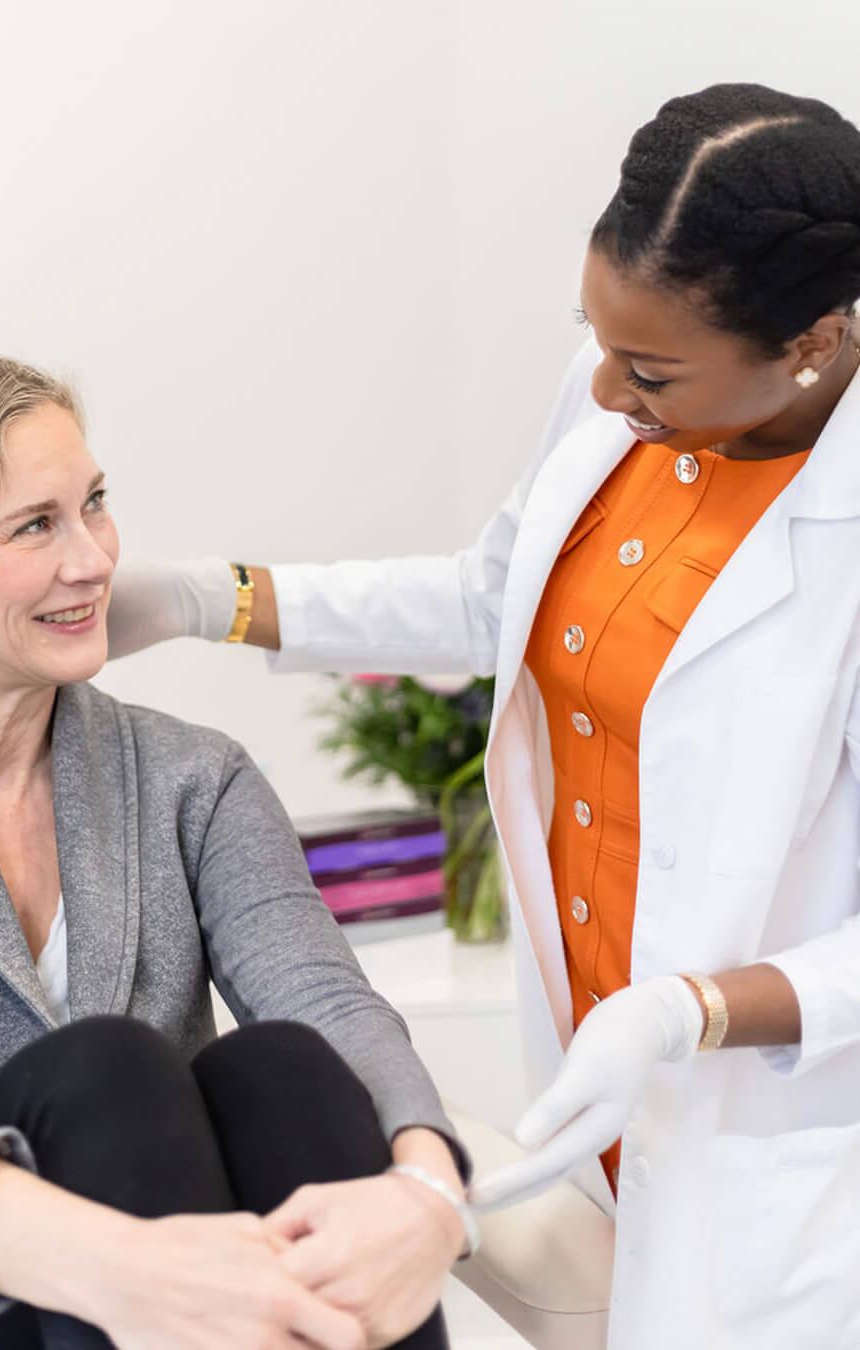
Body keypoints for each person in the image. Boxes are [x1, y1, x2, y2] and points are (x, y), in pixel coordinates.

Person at [108, 84, 860, 1347]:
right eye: (597, 334)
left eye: (654, 368)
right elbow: (485, 596)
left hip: (779, 1119)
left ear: (817, 341)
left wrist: (696, 1008)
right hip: (600, 1067)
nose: (609, 383)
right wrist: (213, 600)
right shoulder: (617, 396)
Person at [0, 350, 475, 1349]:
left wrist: (425, 1188)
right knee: (109, 1068)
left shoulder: (193, 777)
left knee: (282, 1067)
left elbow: (324, 1002)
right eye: (35, 526)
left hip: (178, 1288)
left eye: (93, 504)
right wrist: (116, 1265)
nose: (95, 560)